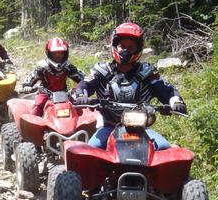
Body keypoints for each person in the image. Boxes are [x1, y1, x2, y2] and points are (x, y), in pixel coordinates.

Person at [76, 22, 187, 150]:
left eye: (130, 47)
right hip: (109, 126)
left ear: (138, 49)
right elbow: (85, 84)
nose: (125, 50)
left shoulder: (147, 72)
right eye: (121, 46)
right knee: (91, 150)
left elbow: (167, 90)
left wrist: (176, 101)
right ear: (114, 46)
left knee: (163, 147)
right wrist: (81, 95)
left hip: (141, 128)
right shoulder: (102, 70)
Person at [21, 37, 84, 116]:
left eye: (61, 53)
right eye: (55, 53)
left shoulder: (68, 66)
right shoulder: (42, 67)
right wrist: (27, 86)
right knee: (37, 107)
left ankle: (79, 126)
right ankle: (33, 127)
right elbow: (31, 77)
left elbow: (82, 78)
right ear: (49, 53)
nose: (58, 56)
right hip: (45, 94)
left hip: (64, 94)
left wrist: (85, 87)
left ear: (65, 53)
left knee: (79, 109)